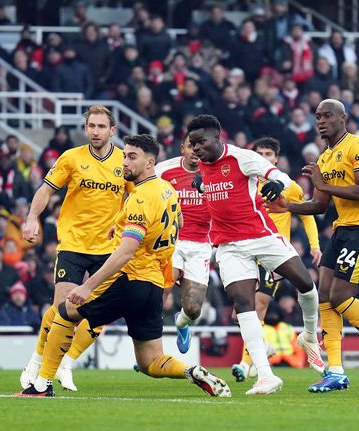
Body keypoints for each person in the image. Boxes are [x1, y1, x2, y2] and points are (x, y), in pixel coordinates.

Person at [17, 134, 230, 398]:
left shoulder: (140, 198)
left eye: (131, 157)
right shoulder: (167, 190)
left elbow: (125, 252)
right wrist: (121, 226)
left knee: (64, 312)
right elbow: (180, 224)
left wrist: (88, 285)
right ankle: (191, 371)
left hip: (130, 279)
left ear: (150, 162)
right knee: (151, 361)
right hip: (153, 286)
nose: (124, 163)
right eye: (124, 156)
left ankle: (41, 384)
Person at [267, 99, 359, 391]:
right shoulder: (324, 159)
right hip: (343, 229)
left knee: (342, 297)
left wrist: (322, 182)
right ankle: (336, 371)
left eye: (327, 115)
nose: (321, 121)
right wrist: (289, 207)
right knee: (325, 298)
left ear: (342, 118)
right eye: (317, 116)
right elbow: (319, 205)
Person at [187, 115, 323, 395]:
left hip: (261, 236)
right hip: (228, 246)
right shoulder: (202, 165)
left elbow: (279, 175)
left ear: (216, 138)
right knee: (243, 306)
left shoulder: (241, 158)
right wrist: (200, 183)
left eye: (200, 142)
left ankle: (309, 335)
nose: (196, 148)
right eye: (192, 144)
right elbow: (207, 183)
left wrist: (277, 184)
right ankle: (265, 375)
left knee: (306, 285)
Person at [19, 105, 126, 392]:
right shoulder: (71, 158)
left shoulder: (125, 161)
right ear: (85, 128)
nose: (95, 131)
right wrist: (32, 218)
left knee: (99, 314)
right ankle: (37, 362)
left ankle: (67, 362)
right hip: (74, 244)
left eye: (101, 126)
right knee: (61, 310)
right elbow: (45, 190)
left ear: (112, 131)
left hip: (109, 248)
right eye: (91, 125)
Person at [230, 137, 323, 382]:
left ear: (276, 159)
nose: (263, 157)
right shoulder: (245, 182)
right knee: (239, 313)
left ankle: (246, 362)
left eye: (268, 154)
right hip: (245, 251)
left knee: (258, 306)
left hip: (273, 255)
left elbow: (307, 214)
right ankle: (264, 348)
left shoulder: (288, 186)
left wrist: (314, 245)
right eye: (259, 153)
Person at [154, 133, 212, 354]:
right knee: (161, 291)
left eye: (199, 147)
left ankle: (182, 322)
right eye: (191, 146)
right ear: (182, 149)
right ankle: (150, 348)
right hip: (173, 241)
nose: (195, 151)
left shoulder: (214, 172)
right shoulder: (164, 171)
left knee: (194, 308)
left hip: (200, 246)